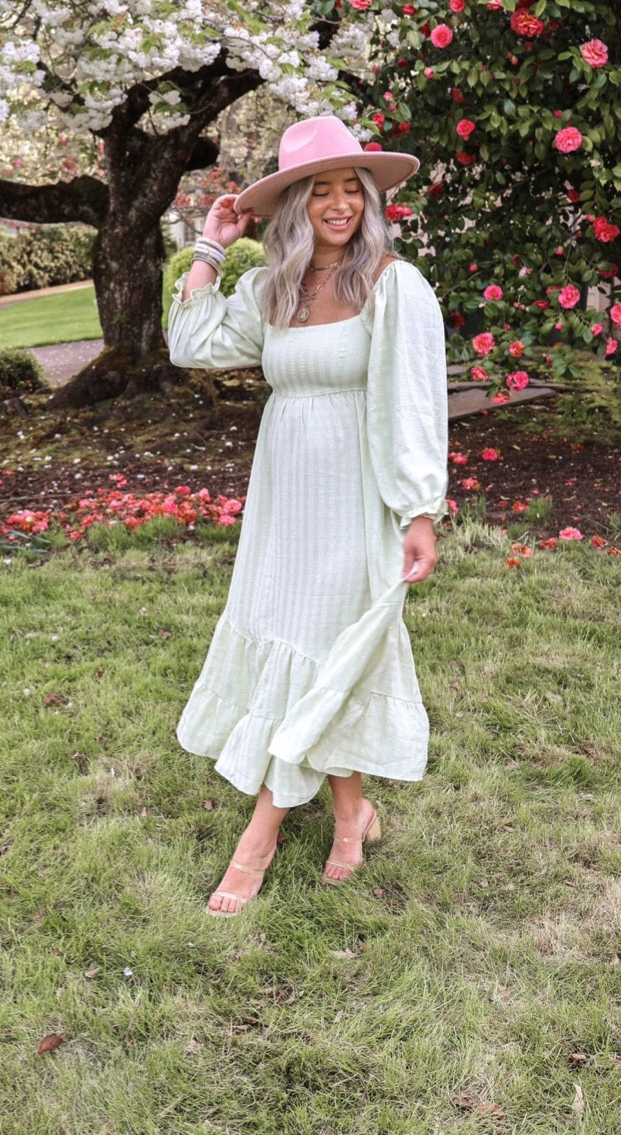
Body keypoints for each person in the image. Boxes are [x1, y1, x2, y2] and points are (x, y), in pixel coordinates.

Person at [167, 115, 448, 914]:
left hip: (354, 490)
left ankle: (257, 840)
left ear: (367, 199)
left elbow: (416, 406)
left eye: (348, 190)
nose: (336, 205)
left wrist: (418, 509)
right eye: (317, 191)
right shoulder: (273, 288)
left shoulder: (395, 285)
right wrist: (212, 247)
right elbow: (190, 344)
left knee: (329, 641)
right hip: (285, 489)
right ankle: (352, 814)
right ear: (293, 207)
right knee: (301, 642)